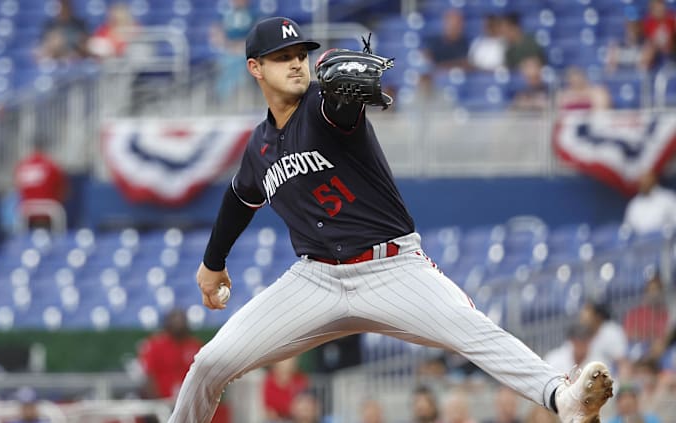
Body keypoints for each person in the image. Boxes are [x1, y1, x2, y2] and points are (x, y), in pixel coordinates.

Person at [164, 16, 614, 423]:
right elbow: (240, 198)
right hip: (315, 279)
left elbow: (342, 105)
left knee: (473, 329)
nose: (297, 63)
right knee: (209, 363)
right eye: (282, 57)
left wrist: (344, 92)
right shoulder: (259, 146)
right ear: (255, 68)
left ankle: (564, 399)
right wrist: (212, 262)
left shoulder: (324, 106)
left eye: (301, 54)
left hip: (392, 268)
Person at [138, 309, 203, 400]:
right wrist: (157, 403)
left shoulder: (195, 346)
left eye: (181, 321)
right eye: (174, 321)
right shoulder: (156, 345)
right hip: (162, 402)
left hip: (190, 401)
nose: (178, 324)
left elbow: (202, 375)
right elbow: (149, 375)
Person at [13, 141, 68, 231]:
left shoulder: (22, 165)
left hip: (27, 213)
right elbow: (63, 190)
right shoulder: (51, 165)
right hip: (50, 214)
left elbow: (18, 189)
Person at [623, 170, 676, 236]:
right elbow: (627, 229)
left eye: (646, 181)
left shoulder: (668, 198)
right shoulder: (634, 204)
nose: (643, 184)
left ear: (653, 180)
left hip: (666, 242)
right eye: (641, 182)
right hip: (642, 244)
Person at [579, 302, 628, 373]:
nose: (582, 316)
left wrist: (623, 383)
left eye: (587, 312)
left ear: (597, 316)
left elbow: (623, 363)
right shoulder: (583, 334)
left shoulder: (611, 331)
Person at [623, 273, 669, 343]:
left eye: (657, 290)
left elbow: (665, 336)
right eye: (651, 290)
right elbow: (627, 333)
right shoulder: (634, 314)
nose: (654, 294)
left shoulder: (666, 315)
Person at [262, 356, 309, 421]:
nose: (290, 363)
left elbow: (306, 401)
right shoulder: (270, 381)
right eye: (287, 360)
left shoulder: (300, 378)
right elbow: (270, 409)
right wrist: (290, 408)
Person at [640, 0, 675, 69]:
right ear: (652, 10)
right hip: (657, 52)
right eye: (657, 8)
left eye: (662, 6)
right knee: (648, 50)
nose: (661, 9)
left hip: (672, 50)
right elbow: (648, 41)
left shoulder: (672, 19)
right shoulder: (649, 23)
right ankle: (644, 75)